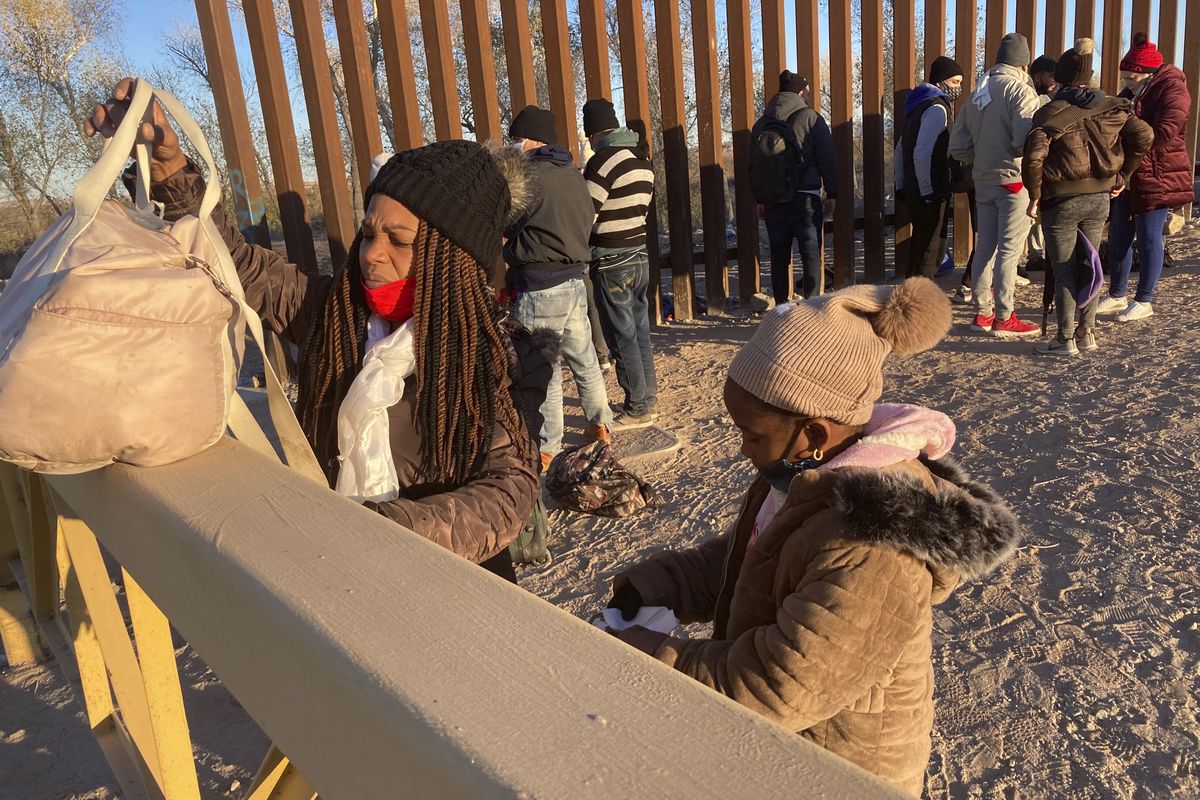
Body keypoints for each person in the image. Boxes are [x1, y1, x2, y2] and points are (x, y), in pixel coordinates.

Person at [86, 79, 541, 582]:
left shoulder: (493, 353)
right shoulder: (333, 313)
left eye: (399, 240)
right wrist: (170, 171)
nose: (371, 253)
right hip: (342, 573)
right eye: (368, 233)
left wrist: (387, 529)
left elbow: (508, 490)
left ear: (453, 259)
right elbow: (236, 264)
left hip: (457, 589)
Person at [604, 278, 1021, 796]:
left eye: (752, 435)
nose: (742, 449)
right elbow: (750, 558)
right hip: (786, 749)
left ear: (815, 434)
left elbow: (783, 683)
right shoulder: (802, 478)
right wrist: (661, 583)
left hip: (839, 768)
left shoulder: (874, 542)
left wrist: (658, 654)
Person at [1023, 39, 1153, 356]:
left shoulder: (1049, 112)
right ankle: (1087, 333)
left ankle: (1065, 339)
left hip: (1061, 201)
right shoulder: (1112, 105)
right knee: (1090, 263)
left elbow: (1033, 157)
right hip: (1100, 198)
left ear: (1061, 77)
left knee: (1065, 268)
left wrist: (1034, 194)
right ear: (1089, 75)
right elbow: (1145, 135)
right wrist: (1123, 175)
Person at [503, 105, 614, 470]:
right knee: (584, 359)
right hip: (574, 281)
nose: (515, 145)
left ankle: (548, 445)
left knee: (544, 369)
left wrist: (509, 249)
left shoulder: (528, 180)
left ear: (533, 140)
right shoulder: (572, 175)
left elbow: (509, 224)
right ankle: (601, 424)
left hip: (538, 285)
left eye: (517, 138)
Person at [949, 32, 1042, 339]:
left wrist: (983, 155)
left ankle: (983, 313)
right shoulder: (1021, 91)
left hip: (983, 181)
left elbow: (958, 147)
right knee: (1010, 252)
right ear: (1025, 64)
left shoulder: (976, 95)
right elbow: (1022, 140)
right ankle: (1005, 316)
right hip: (1014, 182)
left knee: (984, 247)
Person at [1098, 33, 1193, 323]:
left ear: (1146, 74)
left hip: (1159, 173)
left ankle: (1145, 299)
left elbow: (1165, 132)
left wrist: (1128, 125)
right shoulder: (1133, 93)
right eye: (1124, 77)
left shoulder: (1174, 89)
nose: (1125, 83)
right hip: (1130, 173)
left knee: (1150, 238)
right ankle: (1117, 294)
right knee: (1118, 236)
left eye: (1129, 78)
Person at [582, 98, 659, 430]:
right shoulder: (641, 161)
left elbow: (586, 213)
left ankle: (637, 406)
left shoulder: (602, 163)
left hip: (611, 259)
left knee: (621, 335)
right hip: (640, 254)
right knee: (639, 330)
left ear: (593, 132)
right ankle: (648, 397)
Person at [750, 70, 838, 304]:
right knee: (810, 254)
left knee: (779, 257)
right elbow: (826, 158)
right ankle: (811, 306)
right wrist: (833, 192)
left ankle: (781, 308)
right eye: (806, 91)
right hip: (805, 198)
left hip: (773, 200)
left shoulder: (761, 123)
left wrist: (759, 199)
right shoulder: (811, 118)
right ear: (800, 91)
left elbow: (752, 164)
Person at [895, 56, 964, 278]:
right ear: (940, 81)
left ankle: (911, 295)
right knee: (929, 249)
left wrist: (901, 183)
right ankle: (919, 302)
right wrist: (928, 191)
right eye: (955, 82)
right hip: (930, 188)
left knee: (920, 246)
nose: (958, 88)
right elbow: (923, 153)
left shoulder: (916, 105)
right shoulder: (937, 109)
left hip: (914, 187)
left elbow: (900, 149)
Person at [1021, 54, 1060, 278]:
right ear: (1037, 75)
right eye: (1049, 76)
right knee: (1030, 212)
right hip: (1030, 163)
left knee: (1035, 211)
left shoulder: (1047, 98)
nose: (1053, 80)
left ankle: (1036, 254)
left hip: (1039, 163)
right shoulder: (1031, 97)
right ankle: (1034, 255)